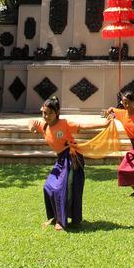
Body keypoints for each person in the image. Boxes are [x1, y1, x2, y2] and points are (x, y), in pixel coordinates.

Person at [30, 96, 86, 231]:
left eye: (50, 113)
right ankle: (55, 217)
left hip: (72, 158)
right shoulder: (44, 126)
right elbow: (31, 122)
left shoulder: (64, 124)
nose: (47, 116)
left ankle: (62, 221)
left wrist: (105, 124)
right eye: (44, 112)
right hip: (61, 159)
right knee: (48, 186)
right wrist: (31, 127)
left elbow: (83, 127)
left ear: (57, 112)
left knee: (65, 189)